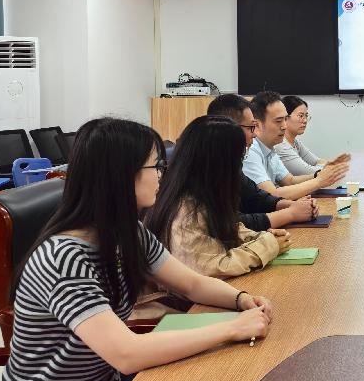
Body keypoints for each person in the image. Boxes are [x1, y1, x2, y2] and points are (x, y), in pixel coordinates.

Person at [1, 118, 272, 381]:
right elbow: (127, 354)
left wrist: (241, 299)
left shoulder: (127, 232)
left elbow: (192, 284)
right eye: (155, 166)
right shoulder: (64, 258)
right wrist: (232, 328)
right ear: (120, 175)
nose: (161, 175)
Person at [145, 116, 294, 278]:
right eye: (239, 159)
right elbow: (210, 268)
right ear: (220, 164)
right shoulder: (185, 210)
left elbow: (229, 228)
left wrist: (263, 238)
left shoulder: (202, 195)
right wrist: (267, 246)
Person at [207, 94, 317, 229]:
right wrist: (291, 213)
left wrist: (293, 206)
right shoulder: (208, 166)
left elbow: (255, 196)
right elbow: (229, 223)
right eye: (251, 127)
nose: (254, 134)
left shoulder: (230, 161)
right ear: (227, 128)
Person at [243, 90, 348, 200]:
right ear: (257, 125)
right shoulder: (250, 150)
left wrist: (318, 175)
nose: (284, 126)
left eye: (285, 119)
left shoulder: (270, 147)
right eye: (278, 121)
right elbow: (271, 194)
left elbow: (289, 181)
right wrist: (318, 181)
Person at [275, 95, 350, 177]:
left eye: (306, 116)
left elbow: (316, 161)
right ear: (285, 117)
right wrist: (332, 167)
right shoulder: (280, 145)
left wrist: (333, 164)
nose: (305, 120)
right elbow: (308, 171)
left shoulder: (296, 143)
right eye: (300, 116)